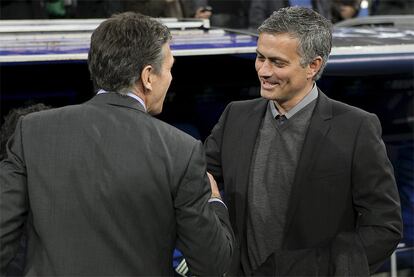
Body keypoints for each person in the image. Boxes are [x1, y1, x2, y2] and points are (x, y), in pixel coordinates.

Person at [0, 12, 234, 275]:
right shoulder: (181, 150)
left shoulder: (32, 132)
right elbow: (213, 264)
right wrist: (214, 200)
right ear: (148, 76)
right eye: (169, 68)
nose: (170, 79)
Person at [205, 6, 402, 276]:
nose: (263, 70)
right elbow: (198, 179)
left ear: (313, 66)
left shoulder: (355, 128)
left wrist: (314, 268)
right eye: (260, 57)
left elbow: (384, 228)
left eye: (277, 62)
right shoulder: (235, 117)